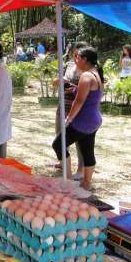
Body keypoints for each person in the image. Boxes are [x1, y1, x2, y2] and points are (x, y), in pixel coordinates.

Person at [52, 46, 104, 191]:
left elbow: (79, 101)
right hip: (94, 119)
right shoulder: (95, 73)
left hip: (84, 121)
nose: (76, 60)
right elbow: (90, 94)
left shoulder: (86, 76)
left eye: (78, 57)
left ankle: (68, 181)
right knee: (88, 151)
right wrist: (74, 87)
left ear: (85, 59)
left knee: (58, 144)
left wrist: (68, 118)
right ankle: (86, 183)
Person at [53, 41, 89, 180]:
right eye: (74, 54)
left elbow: (89, 90)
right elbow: (58, 80)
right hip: (63, 105)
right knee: (59, 136)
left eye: (79, 55)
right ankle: (63, 162)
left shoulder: (89, 69)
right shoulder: (68, 65)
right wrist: (59, 81)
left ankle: (80, 169)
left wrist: (72, 86)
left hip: (79, 110)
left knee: (80, 142)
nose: (76, 57)